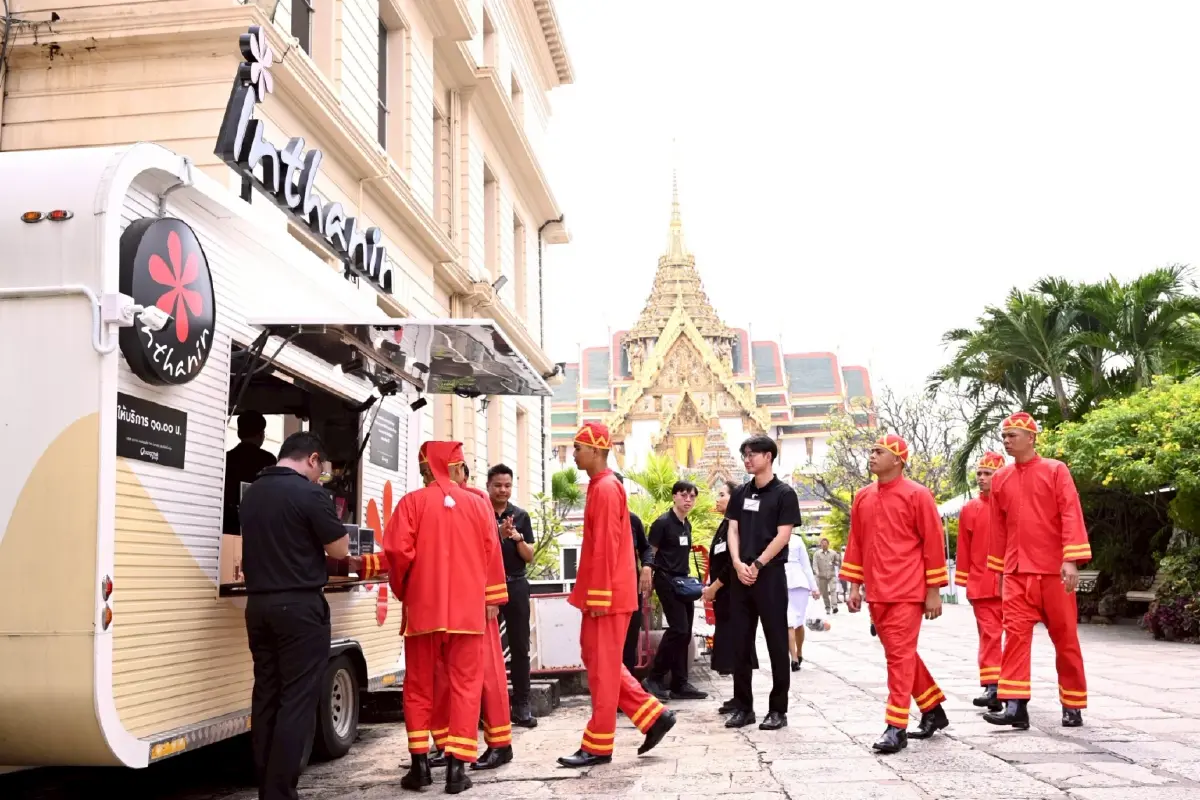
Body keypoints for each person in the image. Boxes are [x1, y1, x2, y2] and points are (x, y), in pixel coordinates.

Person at [385, 441, 506, 794]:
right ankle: (457, 770)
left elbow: (396, 550)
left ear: (428, 468)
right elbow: (492, 553)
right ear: (453, 467)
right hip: (468, 613)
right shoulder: (478, 504)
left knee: (419, 687)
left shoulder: (412, 503)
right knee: (466, 688)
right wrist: (492, 598)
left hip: (424, 613)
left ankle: (420, 767)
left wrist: (406, 588)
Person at [557, 423, 676, 768]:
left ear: (595, 450)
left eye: (578, 447)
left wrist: (597, 598)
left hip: (606, 596)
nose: (574, 454)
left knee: (602, 670)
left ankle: (597, 745)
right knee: (600, 663)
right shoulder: (601, 486)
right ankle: (653, 716)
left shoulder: (606, 488)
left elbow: (607, 549)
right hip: (606, 594)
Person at [239, 432, 349, 800]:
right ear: (312, 459)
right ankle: (280, 793)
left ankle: (267, 788)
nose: (320, 477)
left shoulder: (252, 492)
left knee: (267, 694)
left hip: (258, 607)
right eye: (321, 470)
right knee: (297, 700)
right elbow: (339, 548)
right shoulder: (310, 493)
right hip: (300, 608)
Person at [842, 434, 950, 755]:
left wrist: (933, 592)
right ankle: (932, 711)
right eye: (872, 451)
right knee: (901, 656)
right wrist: (854, 586)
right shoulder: (862, 497)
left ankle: (895, 726)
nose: (872, 455)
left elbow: (932, 544)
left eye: (879, 452)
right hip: (877, 592)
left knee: (899, 657)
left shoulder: (918, 495)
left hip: (908, 589)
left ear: (898, 460)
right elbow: (856, 543)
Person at [984, 412, 1092, 731]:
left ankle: (1072, 704)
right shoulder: (1001, 478)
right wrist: (1001, 572)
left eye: (1012, 435)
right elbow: (998, 529)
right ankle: (1016, 706)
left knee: (1065, 638)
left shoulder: (1056, 470)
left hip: (1053, 571)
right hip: (1017, 572)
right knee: (1015, 638)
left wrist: (1070, 559)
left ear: (1031, 438)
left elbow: (1070, 512)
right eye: (1003, 435)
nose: (1006, 440)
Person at [725, 434, 802, 731]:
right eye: (744, 454)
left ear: (768, 456)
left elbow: (784, 535)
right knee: (740, 644)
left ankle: (777, 710)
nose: (747, 459)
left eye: (752, 454)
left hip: (768, 575)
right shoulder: (741, 493)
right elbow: (733, 530)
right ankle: (743, 707)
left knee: (776, 642)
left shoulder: (784, 494)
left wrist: (758, 563)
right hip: (740, 574)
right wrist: (737, 563)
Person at [643, 481, 707, 702]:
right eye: (684, 495)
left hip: (683, 583)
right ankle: (654, 678)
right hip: (665, 580)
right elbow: (650, 553)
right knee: (678, 630)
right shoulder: (662, 523)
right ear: (674, 497)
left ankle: (680, 683)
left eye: (692, 496)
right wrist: (647, 577)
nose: (688, 500)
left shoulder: (685, 524)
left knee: (686, 632)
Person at [486, 463, 538, 729]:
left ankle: (522, 705)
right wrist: (496, 533)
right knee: (485, 650)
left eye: (507, 485)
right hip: (486, 588)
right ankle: (489, 709)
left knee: (520, 647)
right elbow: (475, 547)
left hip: (515, 585)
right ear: (488, 486)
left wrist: (516, 537)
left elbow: (529, 556)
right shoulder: (480, 512)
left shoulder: (521, 515)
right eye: (498, 485)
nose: (503, 490)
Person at [954, 451, 1006, 712]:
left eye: (988, 474)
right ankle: (993, 685)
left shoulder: (1010, 505)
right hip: (982, 583)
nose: (982, 479)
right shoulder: (970, 509)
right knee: (989, 634)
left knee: (1015, 638)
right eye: (980, 474)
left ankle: (1010, 686)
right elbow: (963, 548)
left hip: (1011, 582)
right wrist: (964, 579)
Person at [702, 480, 758, 713]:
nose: (717, 498)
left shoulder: (739, 526)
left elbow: (729, 564)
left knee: (740, 648)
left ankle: (744, 702)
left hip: (735, 595)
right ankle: (737, 697)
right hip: (724, 597)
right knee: (731, 648)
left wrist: (714, 587)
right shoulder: (725, 525)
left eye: (722, 494)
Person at [223, 411, 278, 533]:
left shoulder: (227, 457)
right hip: (258, 522)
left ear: (239, 433)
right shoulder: (268, 459)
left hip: (228, 522)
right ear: (260, 434)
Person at [785, 532, 821, 671]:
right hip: (780, 582)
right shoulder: (770, 536)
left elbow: (806, 565)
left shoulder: (797, 540)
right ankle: (793, 657)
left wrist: (814, 587)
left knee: (798, 622)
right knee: (789, 622)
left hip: (799, 584)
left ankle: (798, 651)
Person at [624, 507, 653, 672]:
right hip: (607, 595)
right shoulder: (598, 519)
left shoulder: (632, 520)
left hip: (631, 590)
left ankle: (628, 687)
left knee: (630, 640)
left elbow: (646, 548)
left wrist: (647, 566)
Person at [813, 538, 842, 614]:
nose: (824, 545)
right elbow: (815, 565)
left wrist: (835, 563)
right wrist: (817, 572)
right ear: (821, 544)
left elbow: (838, 562)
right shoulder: (817, 554)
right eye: (822, 543)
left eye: (825, 543)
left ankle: (834, 606)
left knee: (833, 590)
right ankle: (827, 608)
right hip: (822, 576)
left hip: (831, 575)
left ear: (828, 544)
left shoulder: (833, 553)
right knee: (825, 593)